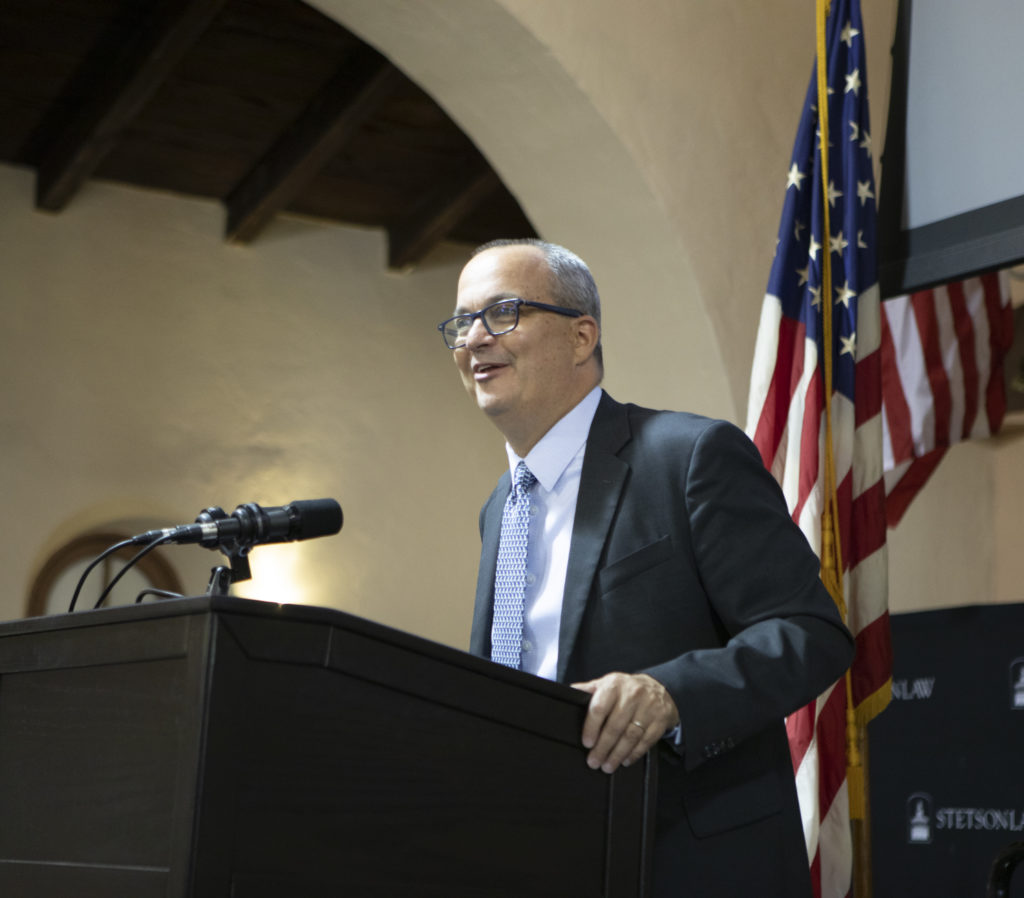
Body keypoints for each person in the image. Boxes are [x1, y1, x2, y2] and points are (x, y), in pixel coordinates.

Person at [440, 238, 854, 897]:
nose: (474, 340)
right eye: (462, 323)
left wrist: (671, 693)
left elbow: (810, 633)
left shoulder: (688, 456)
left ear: (582, 337)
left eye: (503, 312)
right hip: (543, 853)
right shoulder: (500, 508)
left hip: (687, 861)